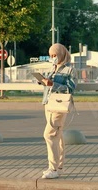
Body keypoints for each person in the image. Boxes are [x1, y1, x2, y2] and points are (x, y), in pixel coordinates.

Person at [39, 43, 76, 179]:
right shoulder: (53, 68)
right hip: (48, 103)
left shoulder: (70, 69)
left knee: (49, 135)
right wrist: (43, 81)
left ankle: (52, 168)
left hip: (59, 105)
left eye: (55, 55)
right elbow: (48, 85)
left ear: (62, 54)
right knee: (58, 135)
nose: (53, 58)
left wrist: (52, 84)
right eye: (51, 55)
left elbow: (70, 88)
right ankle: (59, 167)